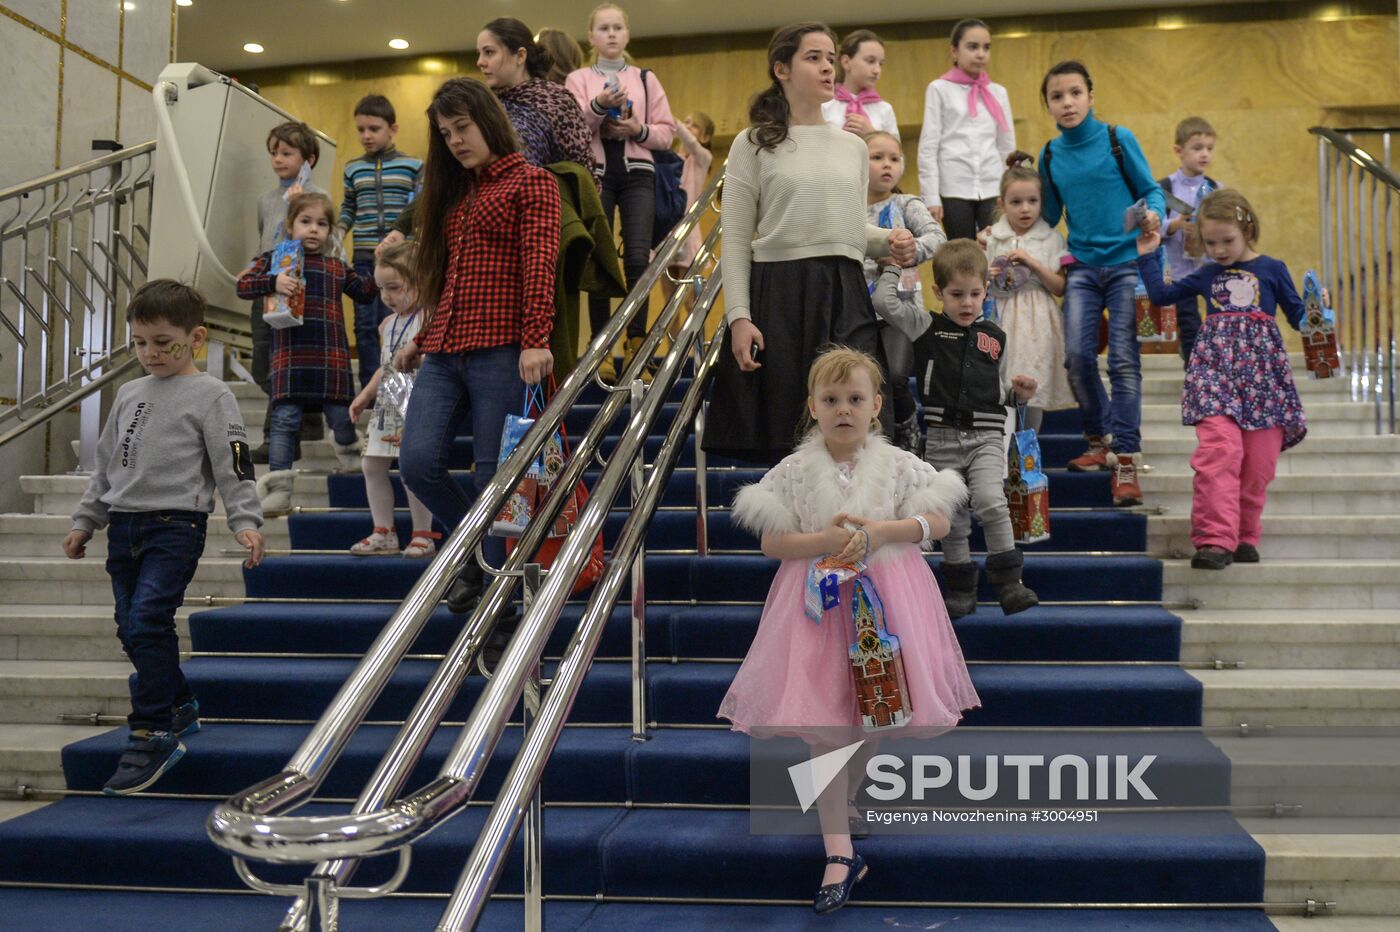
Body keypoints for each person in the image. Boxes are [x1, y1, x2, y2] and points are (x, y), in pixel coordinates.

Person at [718, 347, 977, 915]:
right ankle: (839, 852)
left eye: (855, 399)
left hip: (887, 605)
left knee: (875, 713)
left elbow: (935, 519)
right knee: (823, 725)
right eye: (831, 400)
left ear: (876, 406)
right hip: (816, 608)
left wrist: (885, 529)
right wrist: (825, 542)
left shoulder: (899, 464)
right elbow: (772, 541)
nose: (843, 410)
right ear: (812, 407)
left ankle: (848, 795)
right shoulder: (792, 471)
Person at [62, 280, 265, 795]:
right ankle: (179, 705)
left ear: (196, 338)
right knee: (130, 628)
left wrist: (245, 521)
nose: (150, 353)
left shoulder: (213, 394)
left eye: (162, 342)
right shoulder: (130, 393)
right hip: (124, 525)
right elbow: (107, 465)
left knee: (150, 619)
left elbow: (235, 463)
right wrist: (87, 519)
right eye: (140, 342)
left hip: (176, 526)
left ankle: (151, 733)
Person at [705, 22, 916, 465]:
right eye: (813, 57)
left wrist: (888, 241)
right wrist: (738, 318)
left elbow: (848, 231)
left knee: (855, 426)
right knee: (788, 431)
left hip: (845, 290)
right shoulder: (751, 143)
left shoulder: (853, 147)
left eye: (829, 57)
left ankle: (850, 531)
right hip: (778, 294)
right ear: (781, 68)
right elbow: (738, 240)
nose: (827, 67)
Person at [394, 78, 559, 615]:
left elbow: (540, 266)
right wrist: (422, 337)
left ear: (488, 121)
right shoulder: (455, 196)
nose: (455, 141)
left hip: (504, 349)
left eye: (462, 127)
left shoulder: (532, 182)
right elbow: (449, 279)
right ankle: (470, 561)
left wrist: (536, 339)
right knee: (417, 462)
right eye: (445, 134)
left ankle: (498, 598)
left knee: (496, 480)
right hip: (446, 349)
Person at [1135, 190, 1307, 570]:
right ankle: (1214, 539)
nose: (1219, 250)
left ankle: (1245, 534)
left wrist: (1318, 308)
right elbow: (1162, 296)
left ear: (1247, 229)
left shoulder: (1273, 269)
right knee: (1219, 453)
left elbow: (1300, 319)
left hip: (1262, 380)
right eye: (1210, 243)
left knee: (1259, 464)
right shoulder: (1207, 274)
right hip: (1214, 375)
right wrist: (1148, 253)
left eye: (1227, 240)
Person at [874, 239, 1040, 617]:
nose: (967, 303)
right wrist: (892, 266)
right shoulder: (926, 325)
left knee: (991, 500)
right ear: (938, 293)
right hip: (943, 436)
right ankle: (961, 589)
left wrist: (1020, 395)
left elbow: (1002, 392)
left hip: (985, 436)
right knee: (949, 515)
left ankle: (1009, 583)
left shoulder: (995, 337)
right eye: (956, 294)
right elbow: (884, 303)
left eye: (975, 294)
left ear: (986, 290)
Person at [1036, 60, 1163, 506]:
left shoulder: (1117, 138)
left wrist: (1154, 215)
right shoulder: (1050, 154)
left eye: (1075, 93)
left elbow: (1153, 191)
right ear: (1048, 105)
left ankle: (1125, 459)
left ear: (1091, 96)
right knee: (1076, 357)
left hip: (1128, 263)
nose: (1067, 102)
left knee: (1125, 362)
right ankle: (1099, 441)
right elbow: (1046, 217)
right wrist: (998, 231)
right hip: (1082, 268)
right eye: (1057, 96)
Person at [237, 192, 377, 515]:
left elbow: (366, 293)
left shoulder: (337, 266)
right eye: (306, 222)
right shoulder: (276, 260)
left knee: (341, 417)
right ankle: (280, 490)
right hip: (290, 358)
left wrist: (381, 266)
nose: (314, 229)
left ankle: (351, 455)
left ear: (329, 231)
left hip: (331, 359)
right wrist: (274, 281)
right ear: (290, 226)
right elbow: (244, 287)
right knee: (284, 422)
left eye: (322, 224)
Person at [565, 3, 677, 373]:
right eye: (604, 28)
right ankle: (600, 349)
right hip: (596, 174)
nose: (612, 34)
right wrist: (599, 105)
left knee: (637, 260)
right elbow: (572, 129)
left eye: (617, 28)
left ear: (627, 35)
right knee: (599, 259)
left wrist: (636, 129)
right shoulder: (579, 78)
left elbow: (667, 132)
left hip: (638, 174)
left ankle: (636, 344)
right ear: (591, 37)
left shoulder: (646, 77)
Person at [249, 121, 334, 465]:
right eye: (274, 153)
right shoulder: (266, 199)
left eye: (287, 153)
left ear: (308, 159)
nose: (278, 160)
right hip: (268, 287)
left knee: (282, 366)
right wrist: (254, 268)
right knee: (260, 365)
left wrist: (299, 203)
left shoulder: (320, 198)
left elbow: (327, 245)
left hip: (300, 290)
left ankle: (278, 437)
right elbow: (265, 240)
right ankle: (309, 413)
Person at [347, 242, 437, 558]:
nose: (386, 296)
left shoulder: (429, 318)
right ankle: (383, 530)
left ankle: (423, 533)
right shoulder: (387, 324)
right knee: (371, 464)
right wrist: (365, 395)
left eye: (395, 288)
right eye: (382, 288)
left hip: (417, 403)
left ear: (421, 281)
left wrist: (419, 357)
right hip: (388, 405)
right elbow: (383, 368)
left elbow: (438, 359)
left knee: (411, 469)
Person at [863, 130, 945, 452]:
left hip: (901, 308)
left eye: (894, 159)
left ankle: (908, 427)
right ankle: (875, 445)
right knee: (865, 379)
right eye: (877, 157)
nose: (887, 165)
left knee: (895, 375)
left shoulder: (906, 203)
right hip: (859, 308)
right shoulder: (845, 206)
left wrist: (910, 251)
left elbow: (937, 238)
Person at [982, 154, 1075, 430]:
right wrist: (986, 275)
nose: (1025, 209)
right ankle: (1004, 447)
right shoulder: (991, 238)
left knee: (1032, 384)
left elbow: (1060, 287)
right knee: (1004, 382)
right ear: (1002, 204)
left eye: (1032, 201)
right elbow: (977, 284)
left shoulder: (1051, 239)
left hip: (1039, 321)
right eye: (1016, 202)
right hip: (1002, 314)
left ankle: (1027, 451)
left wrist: (1032, 263)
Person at [339, 94, 423, 391]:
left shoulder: (413, 165)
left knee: (398, 317)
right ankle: (370, 389)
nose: (366, 135)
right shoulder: (352, 168)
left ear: (393, 129)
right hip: (364, 257)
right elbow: (348, 207)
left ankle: (399, 384)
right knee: (364, 325)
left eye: (373, 128)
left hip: (401, 259)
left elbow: (421, 208)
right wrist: (339, 230)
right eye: (360, 129)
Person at [917, 18, 1016, 240]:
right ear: (954, 51)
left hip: (993, 184)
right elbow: (929, 146)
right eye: (972, 47)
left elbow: (1006, 148)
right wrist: (931, 197)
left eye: (986, 47)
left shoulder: (998, 92)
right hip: (954, 186)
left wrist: (1011, 191)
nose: (980, 54)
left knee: (997, 250)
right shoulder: (939, 89)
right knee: (962, 254)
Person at [1159, 116, 1221, 364]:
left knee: (1217, 320)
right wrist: (1175, 225)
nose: (1204, 154)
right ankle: (1195, 368)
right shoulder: (1164, 188)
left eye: (1209, 148)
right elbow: (1151, 226)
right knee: (1189, 321)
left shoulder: (1217, 188)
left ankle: (1214, 363)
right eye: (1197, 148)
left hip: (1210, 268)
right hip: (1178, 272)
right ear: (1179, 150)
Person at [658, 111, 715, 325]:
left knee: (689, 300)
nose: (688, 127)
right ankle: (669, 354)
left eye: (694, 125)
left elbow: (690, 142)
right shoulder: (669, 159)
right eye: (687, 122)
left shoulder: (702, 159)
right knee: (668, 305)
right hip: (666, 234)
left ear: (705, 137)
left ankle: (694, 352)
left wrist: (673, 121)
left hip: (688, 234)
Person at [822, 29, 898, 139]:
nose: (877, 70)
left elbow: (898, 155)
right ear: (846, 62)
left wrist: (871, 135)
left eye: (880, 64)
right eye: (870, 61)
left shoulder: (885, 109)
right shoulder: (824, 105)